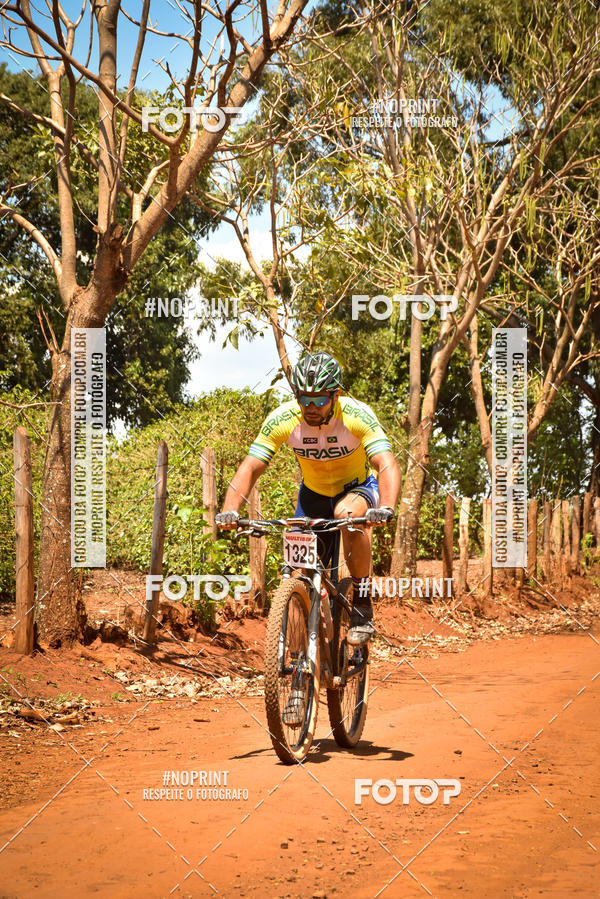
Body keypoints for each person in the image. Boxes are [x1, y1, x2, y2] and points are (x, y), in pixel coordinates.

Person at [215, 351, 401, 646]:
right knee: (298, 571)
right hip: (312, 496)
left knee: (347, 514)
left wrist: (387, 506)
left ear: (335, 396)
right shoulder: (284, 419)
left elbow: (386, 463)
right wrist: (229, 511)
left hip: (356, 489)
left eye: (319, 400)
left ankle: (362, 603)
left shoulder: (356, 415)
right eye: (304, 399)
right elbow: (251, 467)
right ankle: (303, 659)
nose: (310, 408)